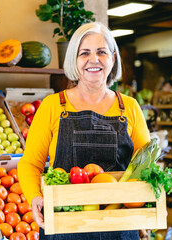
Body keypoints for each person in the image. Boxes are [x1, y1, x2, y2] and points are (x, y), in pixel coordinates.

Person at [18, 22, 150, 240]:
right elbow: (30, 163)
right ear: (74, 60)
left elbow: (145, 166)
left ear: (113, 58)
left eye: (101, 52)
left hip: (118, 227)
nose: (94, 59)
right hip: (64, 224)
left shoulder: (130, 107)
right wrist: (34, 197)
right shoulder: (52, 106)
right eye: (84, 53)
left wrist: (149, 204)